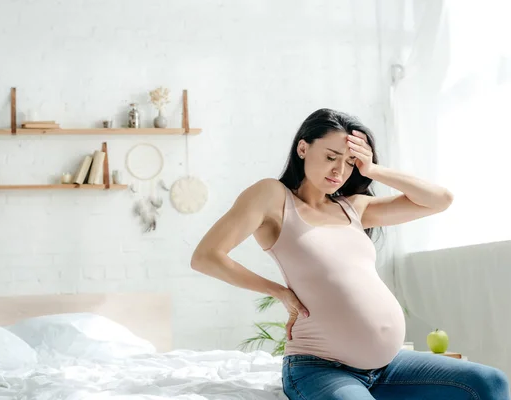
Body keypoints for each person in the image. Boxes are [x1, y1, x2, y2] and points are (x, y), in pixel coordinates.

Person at [190, 108, 510, 399]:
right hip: (319, 367)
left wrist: (373, 169)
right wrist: (280, 292)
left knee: (489, 383)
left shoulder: (353, 207)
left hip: (388, 366)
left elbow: (440, 200)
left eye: (349, 162)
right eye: (331, 157)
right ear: (303, 148)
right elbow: (206, 256)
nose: (339, 170)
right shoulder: (273, 196)